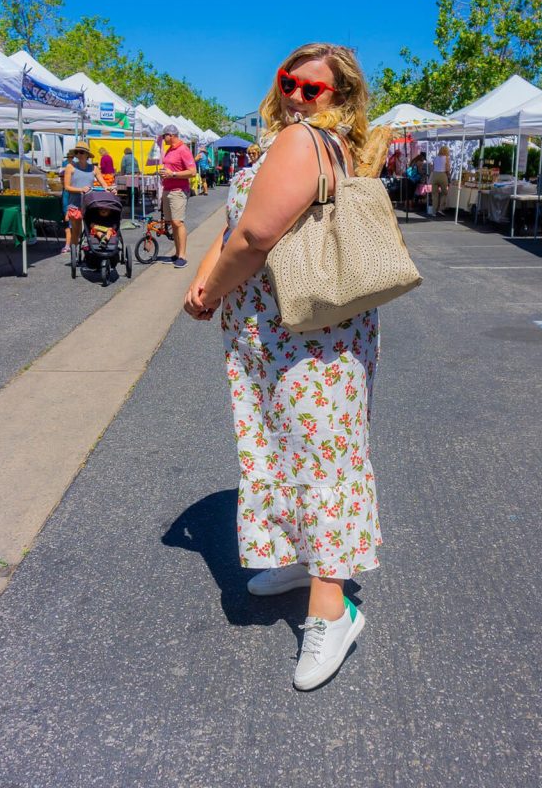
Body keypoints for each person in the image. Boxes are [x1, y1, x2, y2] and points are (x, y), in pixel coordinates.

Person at [183, 43, 381, 690]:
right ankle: (299, 555)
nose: (297, 94)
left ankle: (333, 606)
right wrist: (214, 274)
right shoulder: (298, 142)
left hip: (304, 330)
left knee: (322, 455)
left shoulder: (302, 143)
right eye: (288, 81)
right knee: (283, 445)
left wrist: (210, 288)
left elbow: (253, 236)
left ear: (339, 98)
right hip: (284, 329)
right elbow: (244, 223)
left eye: (313, 88)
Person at [160, 124, 197, 268]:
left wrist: (173, 174)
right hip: (168, 189)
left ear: (171, 135)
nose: (163, 138)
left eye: (164, 136)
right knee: (172, 223)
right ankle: (177, 253)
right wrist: (164, 172)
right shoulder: (169, 150)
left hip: (178, 190)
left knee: (178, 222)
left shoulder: (183, 150)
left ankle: (182, 256)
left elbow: (193, 172)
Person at [63, 142, 108, 251]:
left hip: (89, 204)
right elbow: (67, 187)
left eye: (82, 152)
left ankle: (92, 252)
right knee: (76, 232)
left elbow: (104, 183)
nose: (79, 154)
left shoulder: (94, 168)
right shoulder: (70, 167)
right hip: (75, 204)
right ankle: (74, 254)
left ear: (87, 154)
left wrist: (109, 189)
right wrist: (81, 189)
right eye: (77, 152)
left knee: (93, 229)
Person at [430, 145, 450, 216]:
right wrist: (448, 175)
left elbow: (432, 168)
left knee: (434, 194)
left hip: (435, 175)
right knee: (444, 193)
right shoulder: (446, 158)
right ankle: (441, 208)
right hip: (442, 175)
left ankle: (433, 211)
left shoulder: (435, 158)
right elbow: (447, 169)